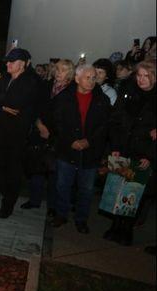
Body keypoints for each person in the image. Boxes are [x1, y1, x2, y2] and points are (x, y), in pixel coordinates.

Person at [0, 48, 40, 218]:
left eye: (12, 61)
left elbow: (16, 102)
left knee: (12, 172)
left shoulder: (30, 81)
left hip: (16, 135)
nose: (8, 64)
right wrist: (3, 106)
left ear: (24, 64)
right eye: (8, 61)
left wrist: (0, 101)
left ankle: (7, 206)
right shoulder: (5, 79)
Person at [51, 64, 114, 234]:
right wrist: (70, 141)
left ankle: (81, 219)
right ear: (77, 79)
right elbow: (57, 123)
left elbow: (105, 126)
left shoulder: (102, 100)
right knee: (63, 185)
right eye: (88, 77)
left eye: (94, 77)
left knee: (86, 190)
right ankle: (61, 214)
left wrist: (89, 141)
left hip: (90, 152)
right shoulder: (63, 97)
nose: (92, 81)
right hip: (67, 150)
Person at [104, 60, 156, 245]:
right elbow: (115, 120)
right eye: (139, 75)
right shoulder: (128, 92)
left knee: (134, 193)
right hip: (122, 148)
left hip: (142, 153)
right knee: (116, 188)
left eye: (146, 76)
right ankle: (114, 227)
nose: (142, 80)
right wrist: (115, 147)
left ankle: (126, 231)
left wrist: (150, 156)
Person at [22, 59, 75, 216]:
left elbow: (70, 118)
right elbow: (34, 107)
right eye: (57, 69)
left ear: (70, 73)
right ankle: (34, 200)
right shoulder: (46, 86)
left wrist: (52, 132)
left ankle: (53, 206)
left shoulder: (72, 91)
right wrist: (39, 125)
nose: (59, 73)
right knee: (36, 168)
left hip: (58, 138)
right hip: (40, 132)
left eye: (63, 70)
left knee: (54, 173)